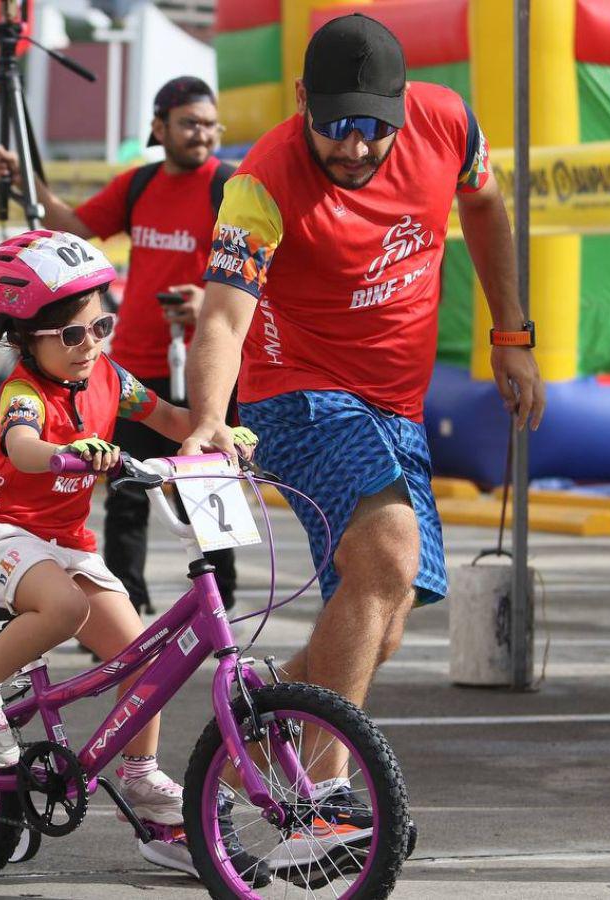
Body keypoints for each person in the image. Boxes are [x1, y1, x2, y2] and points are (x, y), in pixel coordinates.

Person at [182, 12, 545, 867]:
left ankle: (227, 769)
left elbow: (486, 205)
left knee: (379, 619)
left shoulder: (450, 125)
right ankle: (321, 805)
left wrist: (511, 334)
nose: (352, 147)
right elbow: (224, 318)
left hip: (396, 406)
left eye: (372, 128)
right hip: (298, 394)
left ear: (404, 106)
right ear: (300, 100)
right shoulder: (260, 182)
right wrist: (206, 421)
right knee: (385, 555)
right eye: (334, 125)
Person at [0, 229, 259, 878]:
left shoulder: (110, 377)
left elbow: (169, 418)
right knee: (64, 609)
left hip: (67, 543)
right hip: (2, 533)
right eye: (72, 335)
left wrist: (216, 432)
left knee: (142, 659)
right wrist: (65, 453)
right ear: (24, 338)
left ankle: (142, 780)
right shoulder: (24, 393)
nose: (91, 345)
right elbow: (23, 447)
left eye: (101, 327)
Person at [0, 76, 241, 614]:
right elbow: (74, 226)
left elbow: (263, 274)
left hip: (207, 366)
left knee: (208, 491)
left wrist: (209, 303)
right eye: (190, 123)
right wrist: (26, 183)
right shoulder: (139, 184)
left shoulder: (229, 186)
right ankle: (124, 610)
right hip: (135, 365)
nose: (203, 134)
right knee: (126, 491)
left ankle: (221, 609)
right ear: (159, 127)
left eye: (210, 124)